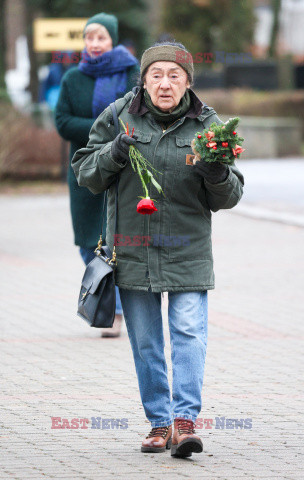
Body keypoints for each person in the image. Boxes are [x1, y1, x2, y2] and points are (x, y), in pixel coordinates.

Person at [72, 41, 244, 457]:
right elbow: (86, 174)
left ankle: (185, 423)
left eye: (174, 75)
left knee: (188, 333)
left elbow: (231, 195)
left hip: (187, 250)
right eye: (157, 75)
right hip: (132, 250)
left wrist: (216, 172)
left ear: (187, 80)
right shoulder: (117, 117)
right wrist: (112, 155)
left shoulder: (208, 125)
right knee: (146, 342)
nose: (165, 84)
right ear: (144, 79)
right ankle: (159, 423)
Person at [55, 13, 139, 337]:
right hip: (84, 168)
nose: (94, 43)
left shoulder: (131, 72)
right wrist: (102, 128)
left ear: (112, 40)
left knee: (119, 238)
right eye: (89, 38)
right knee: (88, 241)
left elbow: (137, 112)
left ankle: (116, 309)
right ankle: (111, 300)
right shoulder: (72, 78)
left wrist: (104, 132)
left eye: (101, 38)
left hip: (123, 167)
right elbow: (62, 121)